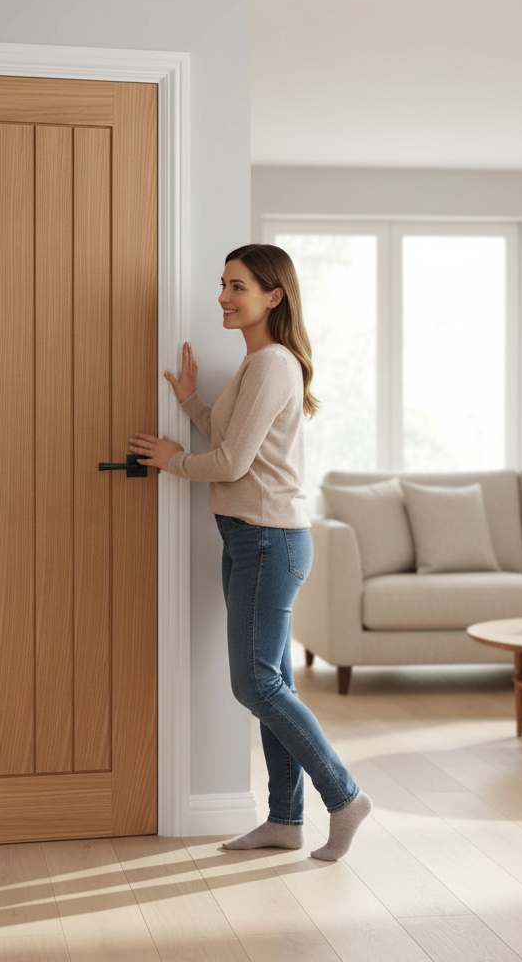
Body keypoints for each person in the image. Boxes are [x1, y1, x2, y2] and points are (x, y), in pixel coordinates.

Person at [129, 243, 372, 860]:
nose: (223, 297)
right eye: (223, 284)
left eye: (238, 286)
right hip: (252, 538)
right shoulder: (259, 363)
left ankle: (344, 797)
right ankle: (285, 820)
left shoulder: (271, 365)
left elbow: (231, 462)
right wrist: (191, 402)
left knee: (256, 685)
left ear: (274, 296)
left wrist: (172, 461)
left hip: (268, 540)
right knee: (273, 684)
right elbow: (232, 437)